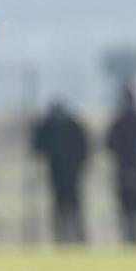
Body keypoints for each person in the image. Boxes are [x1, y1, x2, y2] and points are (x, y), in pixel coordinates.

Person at [29, 101, 91, 244]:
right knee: (59, 208)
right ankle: (61, 238)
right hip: (56, 174)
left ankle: (78, 238)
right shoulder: (49, 127)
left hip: (72, 174)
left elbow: (84, 149)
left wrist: (80, 167)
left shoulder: (74, 127)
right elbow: (38, 147)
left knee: (74, 207)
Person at [106, 82, 136, 246]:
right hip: (125, 168)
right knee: (129, 208)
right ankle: (132, 239)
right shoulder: (124, 121)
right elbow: (110, 144)